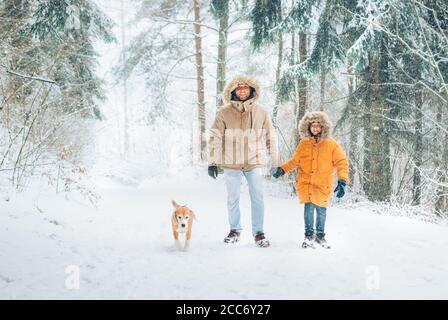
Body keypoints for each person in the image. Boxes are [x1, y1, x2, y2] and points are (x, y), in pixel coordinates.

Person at [208, 75, 278, 248]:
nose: (242, 91)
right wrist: (212, 161)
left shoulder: (261, 111)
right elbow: (215, 137)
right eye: (238, 89)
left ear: (252, 90)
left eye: (245, 88)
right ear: (233, 91)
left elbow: (271, 136)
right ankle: (235, 230)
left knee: (258, 198)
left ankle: (259, 233)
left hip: (254, 162)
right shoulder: (223, 112)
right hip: (232, 162)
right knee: (232, 198)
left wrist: (275, 161)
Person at [272, 111, 348, 249]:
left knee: (321, 210)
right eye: (313, 126)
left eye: (318, 126)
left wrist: (342, 180)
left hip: (323, 184)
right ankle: (308, 235)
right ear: (308, 127)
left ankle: (320, 236)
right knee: (308, 209)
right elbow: (295, 161)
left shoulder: (331, 144)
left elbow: (342, 162)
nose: (315, 129)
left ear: (323, 127)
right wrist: (282, 169)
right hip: (306, 183)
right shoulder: (303, 143)